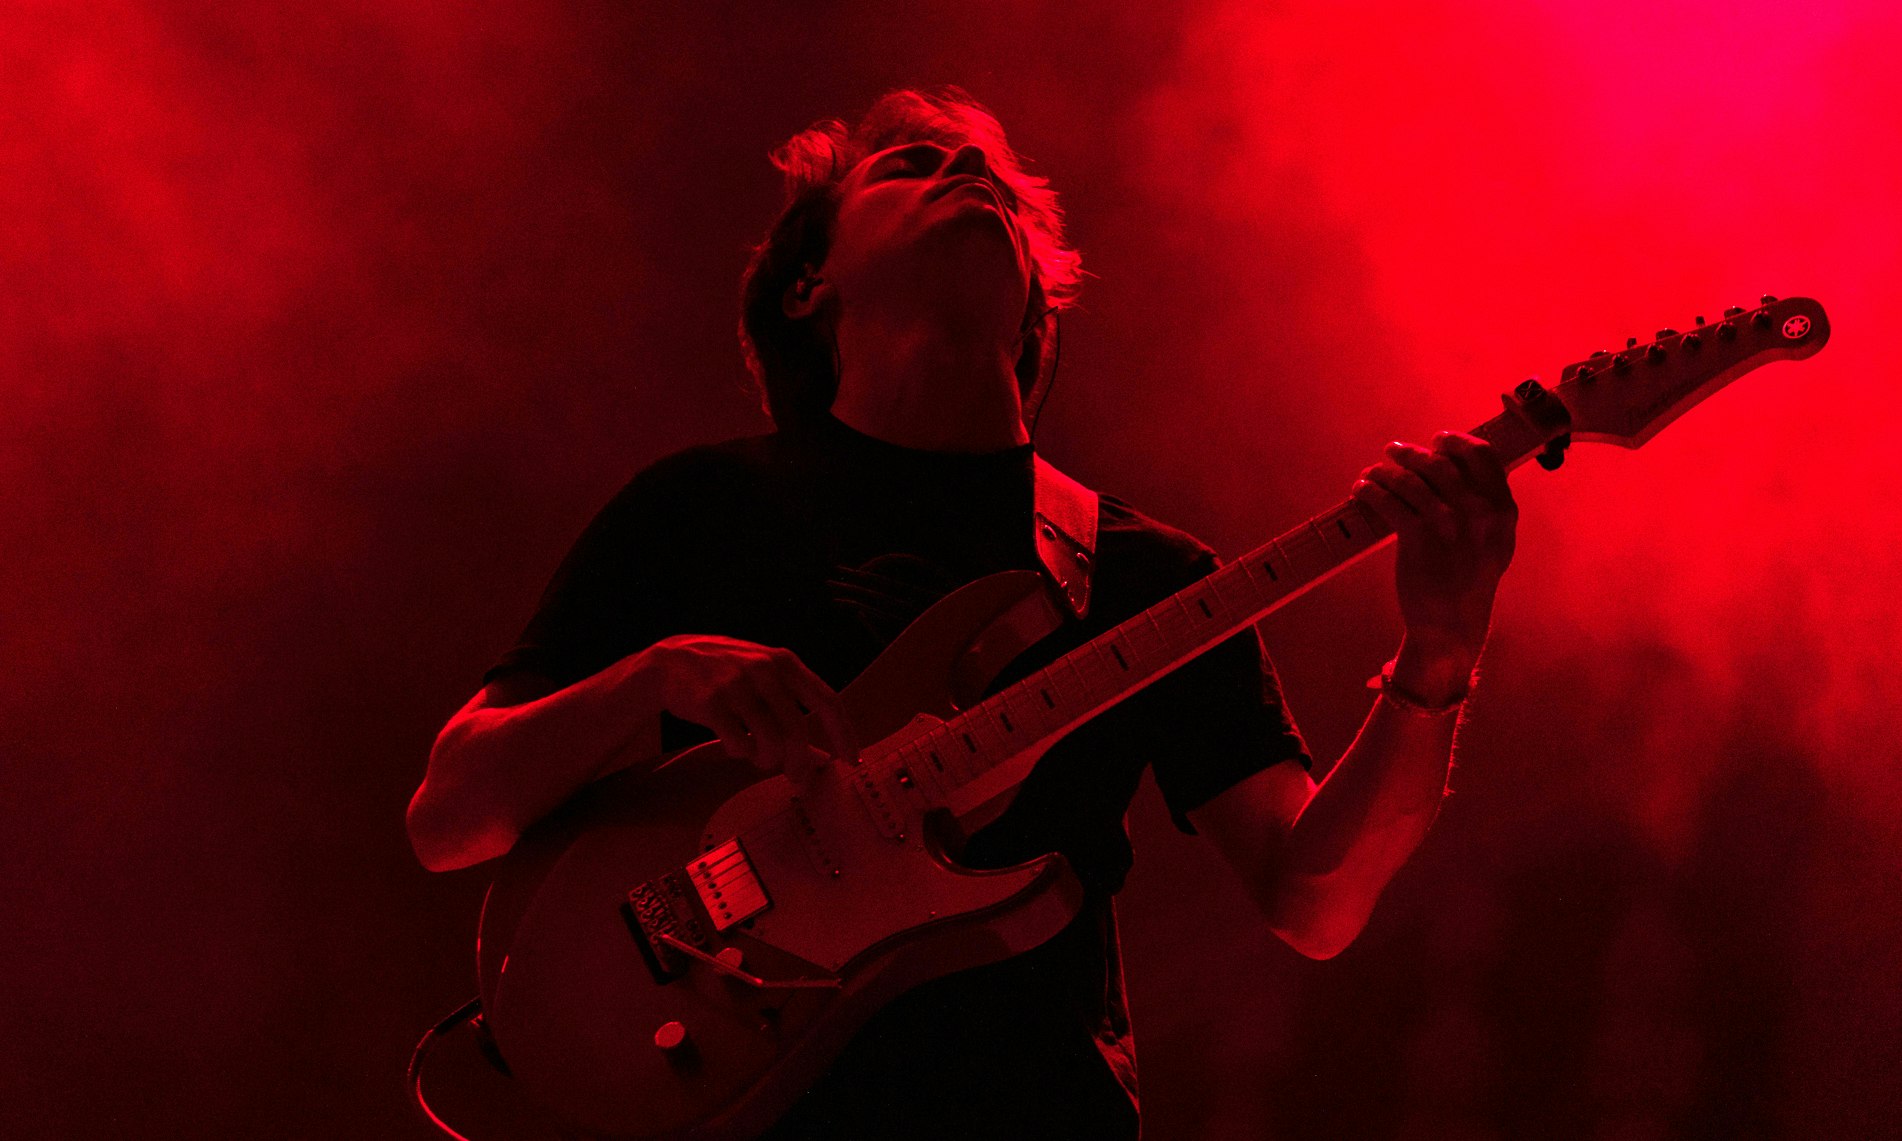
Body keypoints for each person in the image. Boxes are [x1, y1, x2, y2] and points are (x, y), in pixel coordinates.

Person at [406, 87, 1518, 1140]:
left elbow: (1314, 899)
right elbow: (451, 815)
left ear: (1034, 301)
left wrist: (1438, 653)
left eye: (992, 179)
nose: (971, 168)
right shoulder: (699, 507)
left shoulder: (1143, 571)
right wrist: (654, 675)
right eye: (913, 165)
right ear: (809, 284)